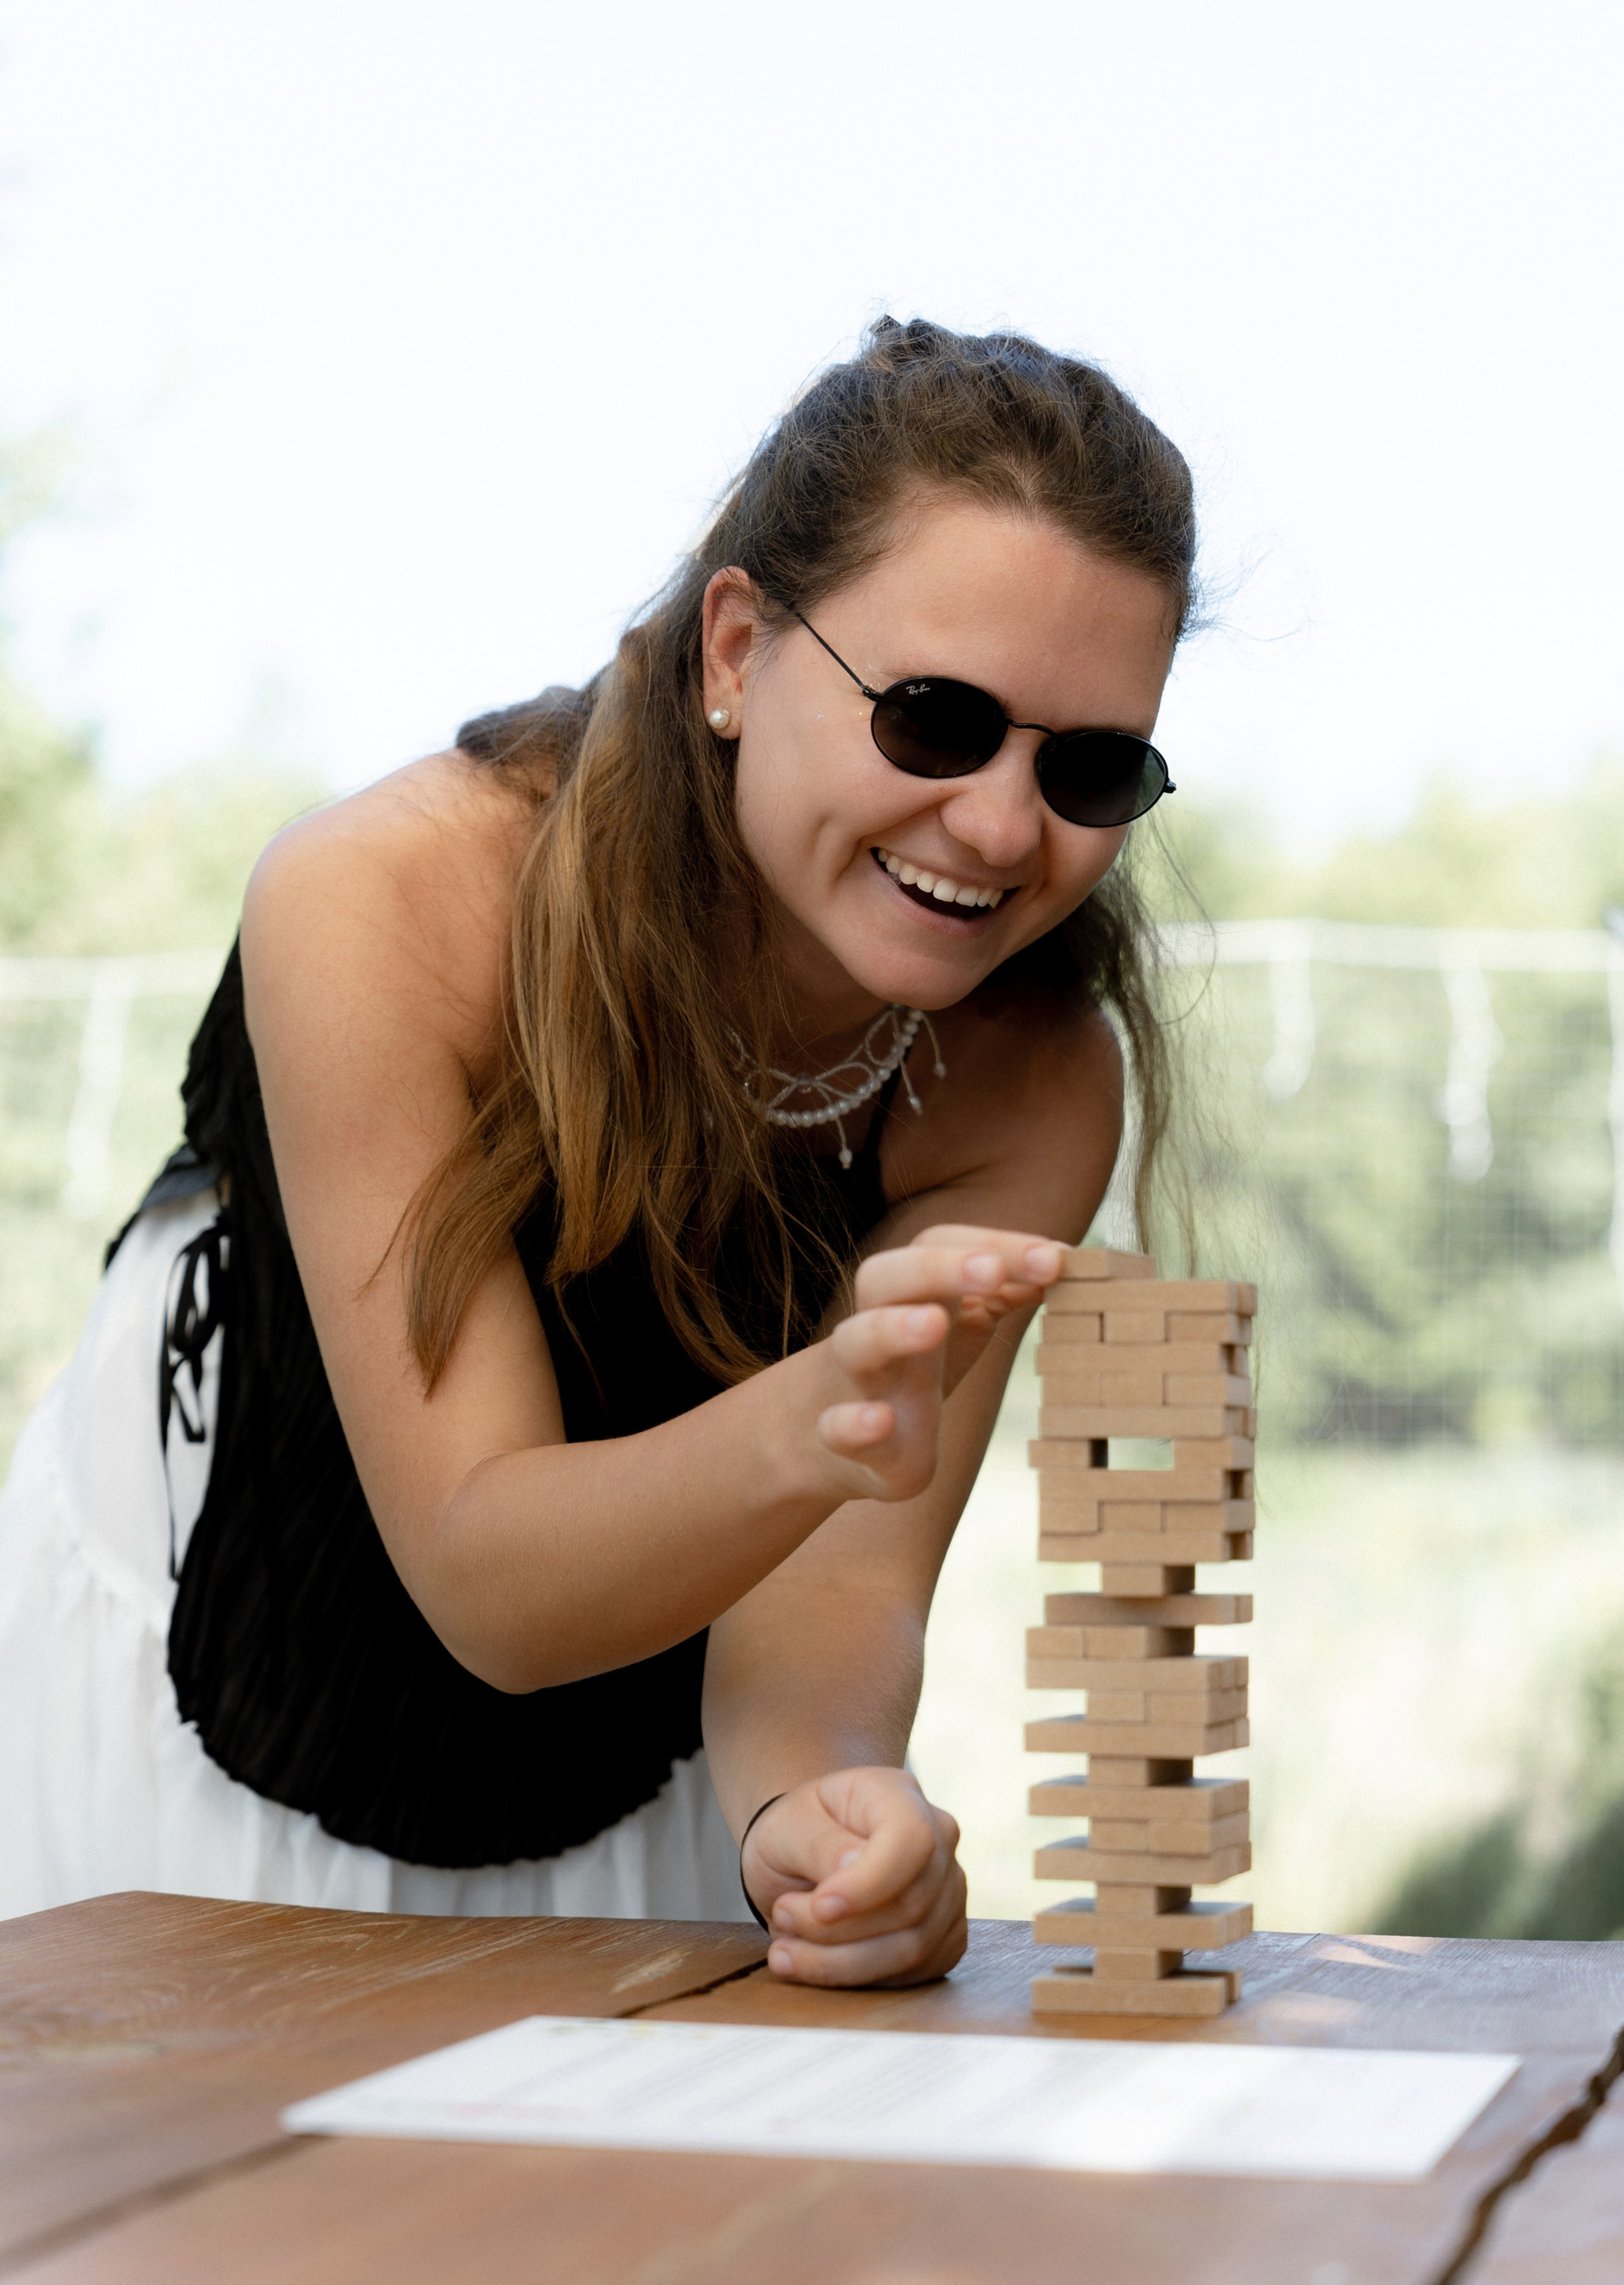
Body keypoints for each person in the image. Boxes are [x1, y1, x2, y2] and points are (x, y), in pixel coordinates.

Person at [0, 317, 1191, 1986]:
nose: (1001, 826)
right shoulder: (392, 898)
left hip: (619, 1773)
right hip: (219, 1712)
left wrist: (818, 1811)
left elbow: (829, 1596)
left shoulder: (1030, 1078)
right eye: (931, 719)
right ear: (734, 649)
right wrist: (822, 1411)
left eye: (1087, 766)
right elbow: (489, 1571)